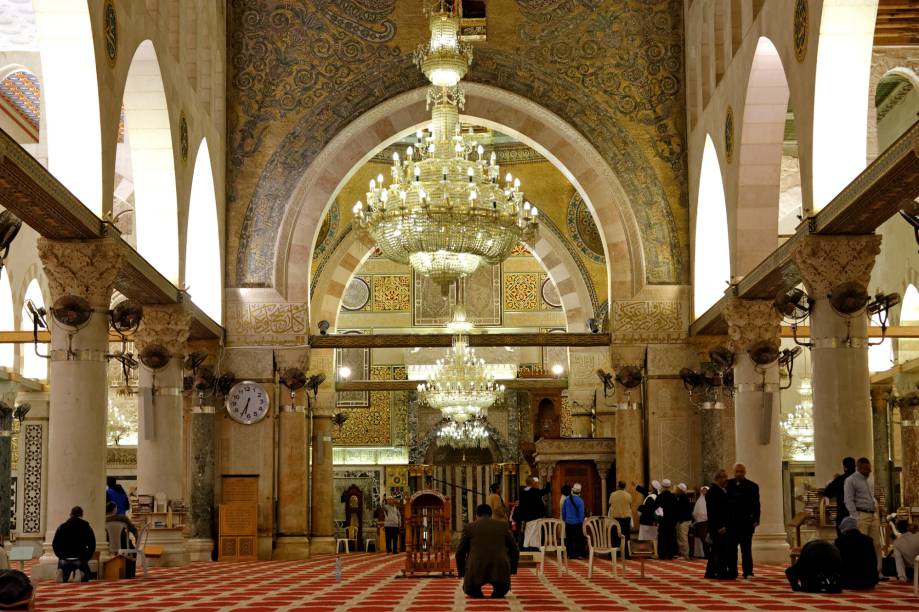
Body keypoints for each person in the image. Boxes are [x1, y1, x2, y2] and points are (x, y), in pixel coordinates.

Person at [456, 504, 519, 599]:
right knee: (500, 592)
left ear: (476, 515)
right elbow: (514, 549)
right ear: (491, 514)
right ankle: (499, 589)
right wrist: (512, 570)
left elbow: (460, 552)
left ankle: (475, 589)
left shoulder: (469, 527)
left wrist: (462, 573)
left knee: (471, 591)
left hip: (475, 570)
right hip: (500, 570)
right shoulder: (503, 525)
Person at [843, 457, 884, 580]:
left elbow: (871, 497)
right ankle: (863, 571)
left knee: (877, 544)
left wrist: (876, 508)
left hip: (873, 515)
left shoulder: (870, 480)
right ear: (859, 467)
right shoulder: (851, 480)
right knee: (862, 545)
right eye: (867, 469)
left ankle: (878, 571)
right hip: (861, 516)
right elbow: (848, 500)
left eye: (870, 469)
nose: (869, 471)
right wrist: (856, 517)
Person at [726, 463, 760, 578]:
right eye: (737, 471)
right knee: (731, 550)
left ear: (745, 472)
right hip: (732, 523)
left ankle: (748, 572)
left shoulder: (752, 486)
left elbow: (756, 504)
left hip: (746, 523)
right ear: (734, 472)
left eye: (741, 471)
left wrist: (756, 519)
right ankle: (732, 571)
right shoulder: (728, 485)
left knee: (746, 550)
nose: (739, 473)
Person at [52, 506, 96, 582]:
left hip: (64, 560)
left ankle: (61, 571)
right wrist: (86, 558)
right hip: (80, 558)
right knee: (86, 577)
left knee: (64, 579)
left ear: (70, 514)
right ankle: (80, 573)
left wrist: (60, 556)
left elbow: (55, 544)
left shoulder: (62, 527)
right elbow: (92, 545)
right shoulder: (86, 527)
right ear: (82, 515)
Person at [705, 469, 735, 580]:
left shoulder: (718, 490)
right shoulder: (714, 492)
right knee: (721, 550)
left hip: (718, 525)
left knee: (716, 549)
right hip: (718, 526)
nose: (726, 479)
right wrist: (720, 526)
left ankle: (710, 572)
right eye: (724, 477)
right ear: (719, 478)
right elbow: (715, 512)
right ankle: (721, 572)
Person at [835, 516, 878, 590]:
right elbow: (874, 561)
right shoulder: (868, 540)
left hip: (847, 582)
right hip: (868, 583)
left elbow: (837, 563)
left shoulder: (840, 541)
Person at [516, 475, 551, 550]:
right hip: (536, 516)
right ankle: (533, 549)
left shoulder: (522, 492)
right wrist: (548, 481)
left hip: (527, 517)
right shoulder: (534, 491)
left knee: (529, 533)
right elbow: (547, 490)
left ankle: (527, 548)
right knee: (535, 534)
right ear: (533, 483)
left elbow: (521, 505)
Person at [824, 457, 856, 535]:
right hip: (858, 515)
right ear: (855, 466)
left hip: (843, 514)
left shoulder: (840, 480)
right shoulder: (861, 479)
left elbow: (827, 493)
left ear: (844, 467)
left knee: (842, 540)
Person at [608, 481, 633, 557]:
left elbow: (610, 503)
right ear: (624, 486)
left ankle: (614, 554)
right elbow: (630, 503)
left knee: (615, 536)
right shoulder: (628, 495)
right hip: (626, 518)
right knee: (626, 536)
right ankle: (626, 554)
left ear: (618, 486)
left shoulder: (613, 494)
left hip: (615, 518)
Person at [561, 483, 586, 560]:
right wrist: (581, 521)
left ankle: (570, 554)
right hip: (577, 523)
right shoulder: (580, 500)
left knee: (569, 539)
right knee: (579, 539)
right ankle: (579, 554)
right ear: (579, 492)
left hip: (568, 522)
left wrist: (565, 519)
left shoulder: (567, 499)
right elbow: (581, 513)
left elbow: (563, 511)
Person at [892, 519, 919, 584]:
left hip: (911, 572)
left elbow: (899, 561)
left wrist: (902, 578)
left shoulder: (896, 543)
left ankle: (905, 578)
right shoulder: (917, 536)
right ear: (908, 527)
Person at [656, 479, 678, 560]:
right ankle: (670, 554)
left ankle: (662, 554)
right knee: (671, 537)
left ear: (662, 486)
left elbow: (657, 509)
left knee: (662, 537)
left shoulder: (660, 497)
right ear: (670, 486)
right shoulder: (673, 497)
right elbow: (676, 510)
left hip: (663, 521)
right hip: (672, 521)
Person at [636, 480, 661, 545]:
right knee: (652, 540)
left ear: (653, 487)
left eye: (650, 485)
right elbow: (646, 492)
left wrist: (640, 508)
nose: (649, 486)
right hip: (650, 521)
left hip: (647, 522)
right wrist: (638, 487)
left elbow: (648, 509)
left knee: (647, 541)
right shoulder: (654, 495)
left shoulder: (652, 497)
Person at [675, 483, 693, 560]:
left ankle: (685, 555)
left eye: (677, 489)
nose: (676, 490)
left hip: (684, 521)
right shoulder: (681, 497)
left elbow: (684, 511)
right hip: (681, 520)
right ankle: (681, 553)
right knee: (680, 538)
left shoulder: (684, 498)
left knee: (683, 538)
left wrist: (681, 519)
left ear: (681, 490)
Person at [692, 486, 709, 558]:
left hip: (708, 522)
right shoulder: (699, 500)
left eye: (706, 491)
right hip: (700, 522)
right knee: (702, 539)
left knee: (708, 539)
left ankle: (708, 554)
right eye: (703, 491)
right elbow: (695, 512)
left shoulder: (710, 499)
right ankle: (704, 554)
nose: (704, 492)